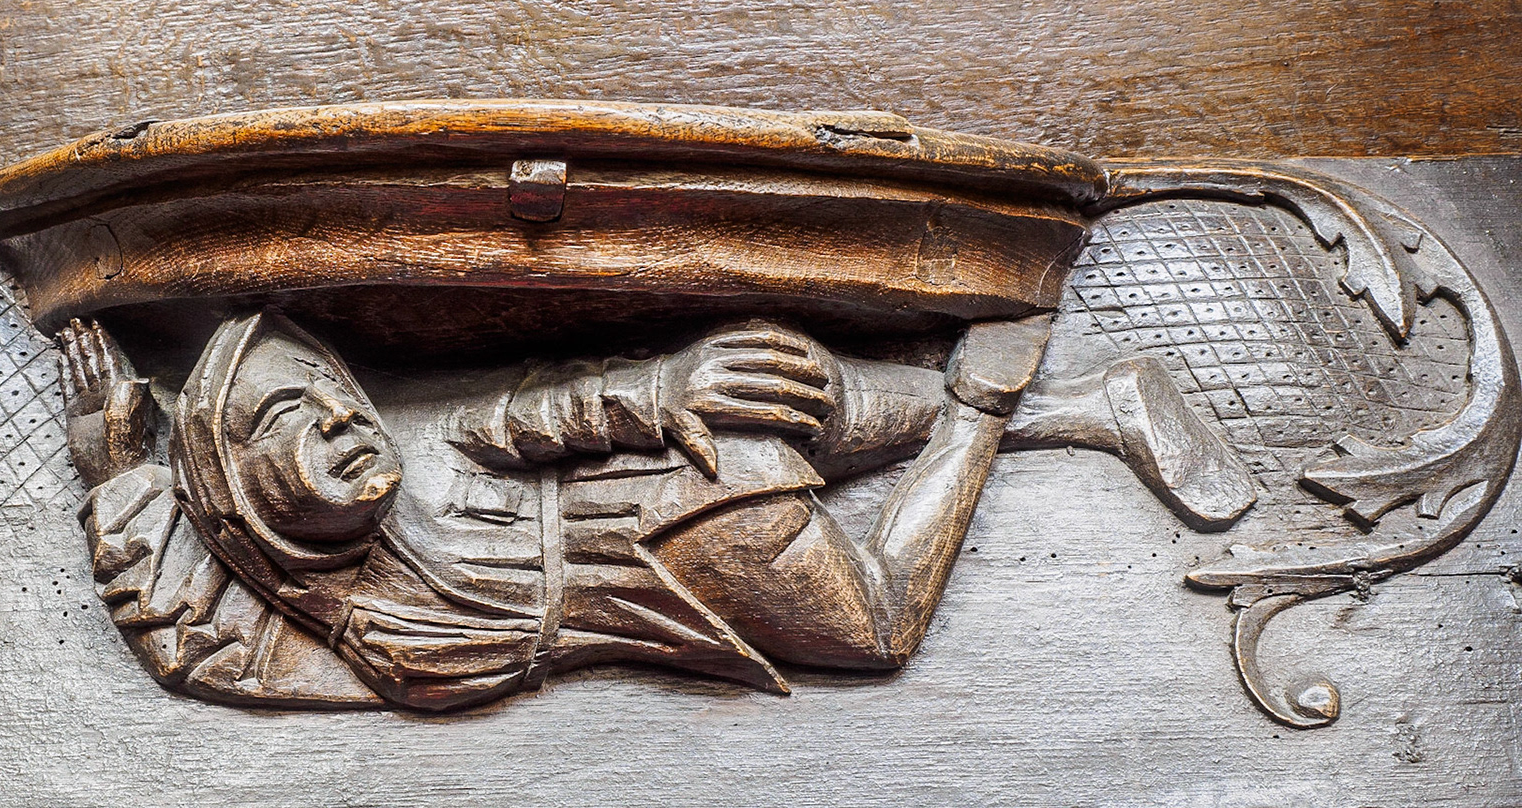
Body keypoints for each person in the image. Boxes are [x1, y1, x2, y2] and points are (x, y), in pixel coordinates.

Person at [62, 311, 1255, 711]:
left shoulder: (418, 458)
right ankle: (1077, 402)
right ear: (239, 506)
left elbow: (532, 413)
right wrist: (119, 471)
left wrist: (664, 387)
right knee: (816, 421)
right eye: (292, 422)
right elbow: (198, 644)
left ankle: (988, 403)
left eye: (332, 389)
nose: (341, 418)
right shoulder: (344, 625)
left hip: (676, 529)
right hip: (671, 543)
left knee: (883, 625)